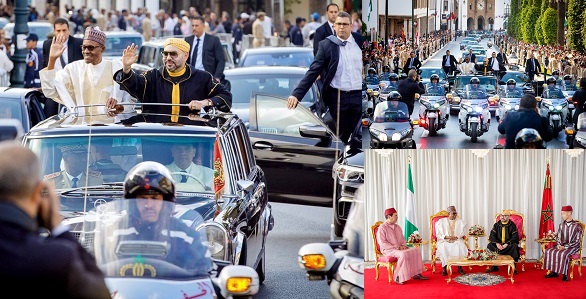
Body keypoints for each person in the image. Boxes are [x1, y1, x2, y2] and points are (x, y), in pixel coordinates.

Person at [0, 141, 111, 298]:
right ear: (38, 192)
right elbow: (100, 293)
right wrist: (57, 225)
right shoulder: (55, 258)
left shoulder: (94, 178)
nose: (85, 160)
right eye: (78, 156)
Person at [102, 161, 211, 272]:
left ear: (166, 203)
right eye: (142, 198)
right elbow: (94, 272)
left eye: (155, 198)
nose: (149, 205)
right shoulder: (113, 233)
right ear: (132, 203)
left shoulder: (186, 236)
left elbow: (204, 274)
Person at [287, 12, 363, 146]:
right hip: (339, 98)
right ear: (334, 26)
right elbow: (313, 71)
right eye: (338, 24)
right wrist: (296, 95)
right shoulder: (327, 45)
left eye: (345, 24)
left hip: (359, 96)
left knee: (360, 135)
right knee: (341, 137)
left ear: (351, 26)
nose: (341, 27)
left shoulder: (360, 41)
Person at [115, 38, 232, 124]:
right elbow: (135, 84)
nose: (168, 58)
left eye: (173, 54)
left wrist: (205, 102)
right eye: (165, 54)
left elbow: (225, 96)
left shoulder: (202, 78)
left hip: (191, 140)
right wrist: (126, 68)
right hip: (156, 140)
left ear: (186, 56)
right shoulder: (153, 76)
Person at [40, 26, 136, 118]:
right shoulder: (74, 69)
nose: (86, 51)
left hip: (109, 130)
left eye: (90, 47)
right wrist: (52, 59)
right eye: (84, 47)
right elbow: (50, 91)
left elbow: (131, 102)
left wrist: (121, 108)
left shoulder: (116, 68)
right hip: (81, 129)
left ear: (102, 49)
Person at [375, 207, 428, 284]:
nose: (397, 217)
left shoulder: (398, 227)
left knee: (416, 250)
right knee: (402, 254)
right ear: (389, 217)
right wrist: (397, 247)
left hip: (399, 248)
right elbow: (382, 243)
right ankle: (398, 277)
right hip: (388, 250)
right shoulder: (382, 228)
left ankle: (416, 273)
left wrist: (403, 245)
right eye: (395, 215)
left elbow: (402, 239)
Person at [543, 205, 583, 282]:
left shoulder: (577, 226)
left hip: (573, 247)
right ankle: (554, 272)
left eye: (563, 214)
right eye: (561, 214)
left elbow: (577, 241)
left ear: (569, 213)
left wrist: (565, 247)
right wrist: (559, 245)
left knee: (564, 254)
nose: (562, 216)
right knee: (549, 251)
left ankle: (565, 274)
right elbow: (558, 237)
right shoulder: (561, 225)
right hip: (562, 245)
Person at [185, 16, 226, 82]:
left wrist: (217, 77)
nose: (194, 28)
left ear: (203, 26)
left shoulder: (213, 40)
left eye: (196, 26)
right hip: (191, 78)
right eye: (193, 26)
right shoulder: (188, 40)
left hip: (208, 78)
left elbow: (221, 60)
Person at [434, 206, 468, 276]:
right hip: (444, 240)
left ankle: (460, 267)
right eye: (453, 213)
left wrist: (456, 237)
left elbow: (463, 233)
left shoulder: (460, 222)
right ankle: (445, 267)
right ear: (448, 214)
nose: (455, 215)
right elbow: (438, 234)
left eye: (456, 213)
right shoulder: (441, 222)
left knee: (460, 245)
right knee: (443, 246)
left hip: (456, 239)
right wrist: (446, 237)